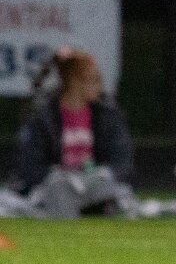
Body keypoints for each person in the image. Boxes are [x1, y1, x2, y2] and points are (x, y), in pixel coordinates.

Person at [9, 47, 137, 218]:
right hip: (54, 188)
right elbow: (29, 166)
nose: (99, 86)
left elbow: (122, 162)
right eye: (93, 80)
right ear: (74, 81)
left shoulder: (108, 115)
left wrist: (97, 175)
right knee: (59, 187)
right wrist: (61, 177)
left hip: (93, 185)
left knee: (107, 186)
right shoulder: (42, 116)